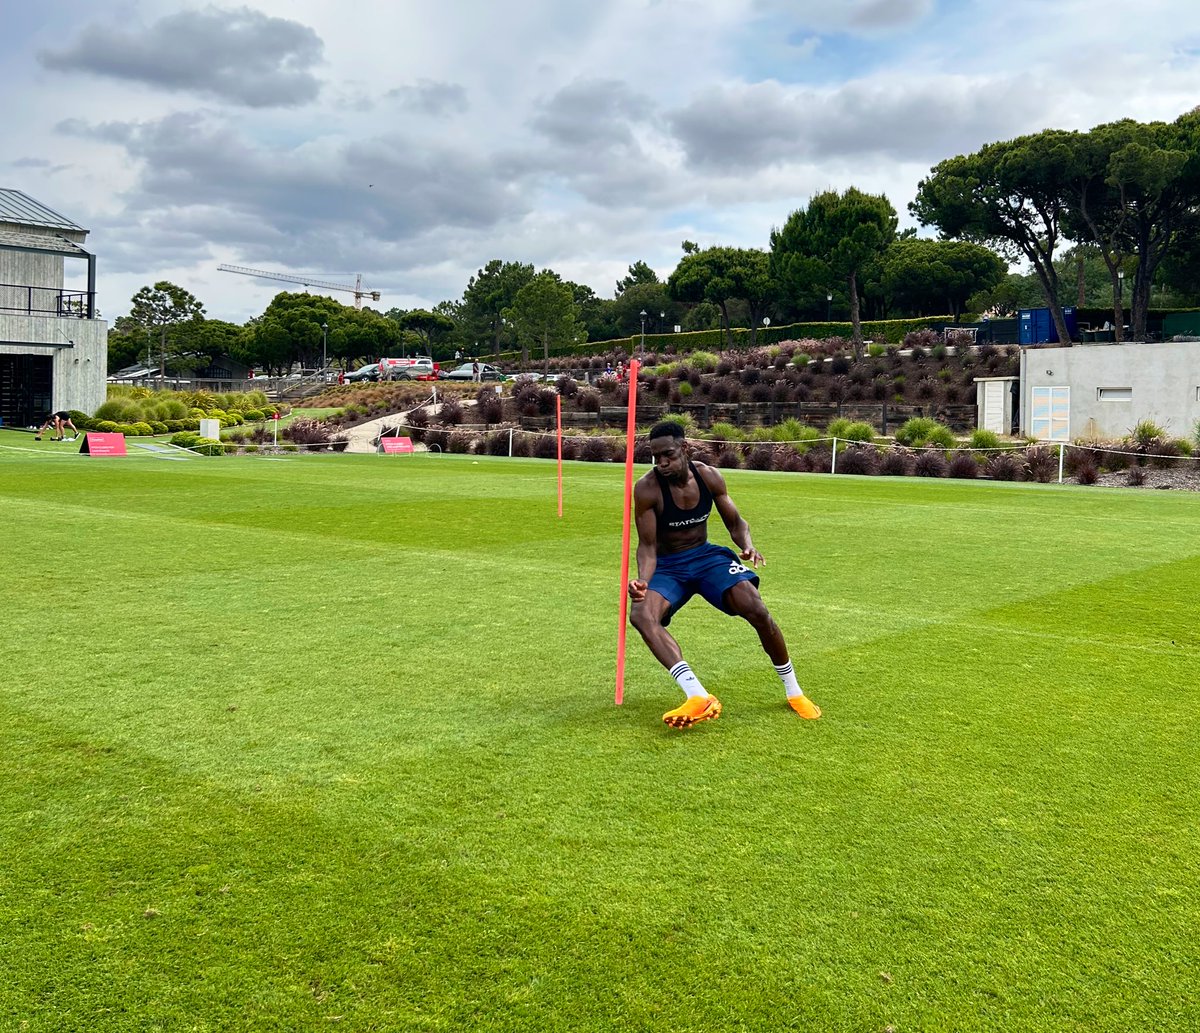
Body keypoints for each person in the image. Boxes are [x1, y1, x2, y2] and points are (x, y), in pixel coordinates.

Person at [627, 421, 820, 728]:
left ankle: (793, 691)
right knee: (640, 615)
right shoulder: (647, 489)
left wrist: (747, 546)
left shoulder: (708, 476)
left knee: (756, 608)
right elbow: (648, 547)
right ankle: (697, 696)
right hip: (669, 566)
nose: (661, 463)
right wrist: (643, 582)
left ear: (685, 449)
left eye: (668, 454)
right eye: (655, 457)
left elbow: (736, 522)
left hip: (706, 557)